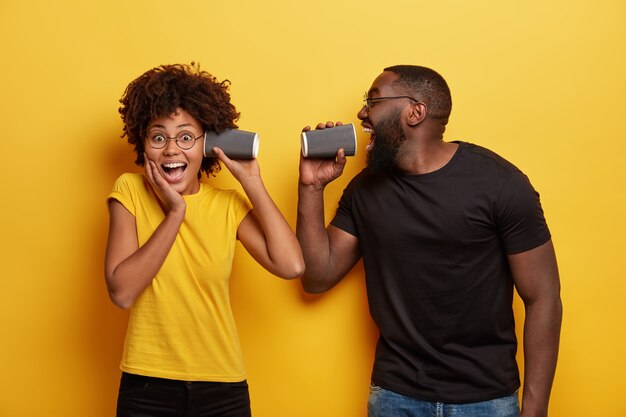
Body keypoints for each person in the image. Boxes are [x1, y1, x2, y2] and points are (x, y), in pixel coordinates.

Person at [296, 65, 562, 417]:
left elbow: (543, 297)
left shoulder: (501, 184)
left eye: (372, 100)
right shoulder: (364, 190)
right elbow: (317, 276)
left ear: (415, 111)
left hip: (487, 400)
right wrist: (311, 188)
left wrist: (535, 410)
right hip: (395, 396)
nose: (361, 112)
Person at [104, 63, 304, 417]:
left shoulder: (226, 205)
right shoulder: (129, 191)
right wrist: (175, 213)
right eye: (158, 136)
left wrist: (251, 182)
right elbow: (121, 292)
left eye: (185, 137)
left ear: (207, 144)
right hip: (147, 384)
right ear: (143, 142)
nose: (171, 150)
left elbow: (291, 265)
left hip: (222, 387)